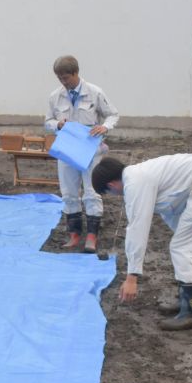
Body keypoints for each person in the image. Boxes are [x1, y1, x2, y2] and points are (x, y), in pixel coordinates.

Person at [91, 154, 192, 330]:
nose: (114, 195)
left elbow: (137, 228)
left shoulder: (135, 183)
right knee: (189, 246)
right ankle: (187, 301)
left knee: (182, 247)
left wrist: (132, 277)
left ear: (111, 185)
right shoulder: (142, 174)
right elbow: (171, 210)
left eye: (109, 193)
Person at [44, 55, 119, 253]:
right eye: (59, 78)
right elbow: (47, 121)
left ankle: (92, 236)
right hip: (67, 148)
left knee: (92, 191)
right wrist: (57, 124)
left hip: (89, 149)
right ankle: (74, 234)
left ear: (76, 73)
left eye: (66, 77)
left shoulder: (94, 93)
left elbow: (113, 114)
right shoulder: (55, 96)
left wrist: (104, 127)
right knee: (68, 191)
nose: (63, 82)